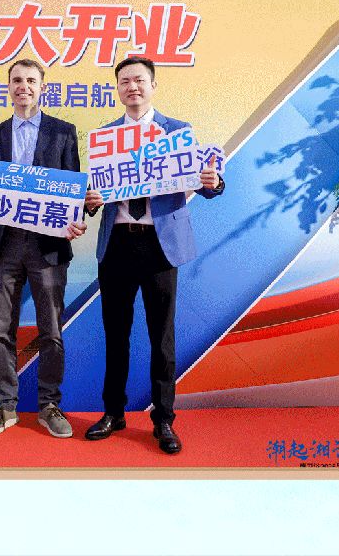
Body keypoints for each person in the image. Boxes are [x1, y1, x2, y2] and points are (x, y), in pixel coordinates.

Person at [82, 57, 224, 455]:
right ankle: (113, 413)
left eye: (139, 80)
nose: (132, 87)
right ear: (117, 89)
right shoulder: (104, 138)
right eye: (125, 81)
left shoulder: (177, 132)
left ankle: (163, 419)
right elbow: (91, 195)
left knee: (162, 337)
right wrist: (89, 201)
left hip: (160, 245)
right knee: (116, 334)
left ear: (153, 85)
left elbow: (204, 181)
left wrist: (212, 181)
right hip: (117, 243)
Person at [0, 59, 86, 438]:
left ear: (42, 86)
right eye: (16, 80)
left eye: (30, 80)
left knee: (51, 330)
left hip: (48, 245)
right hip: (4, 244)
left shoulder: (63, 132)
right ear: (8, 86)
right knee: (1, 331)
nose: (23, 86)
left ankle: (49, 405)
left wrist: (76, 218)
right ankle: (5, 406)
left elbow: (73, 188)